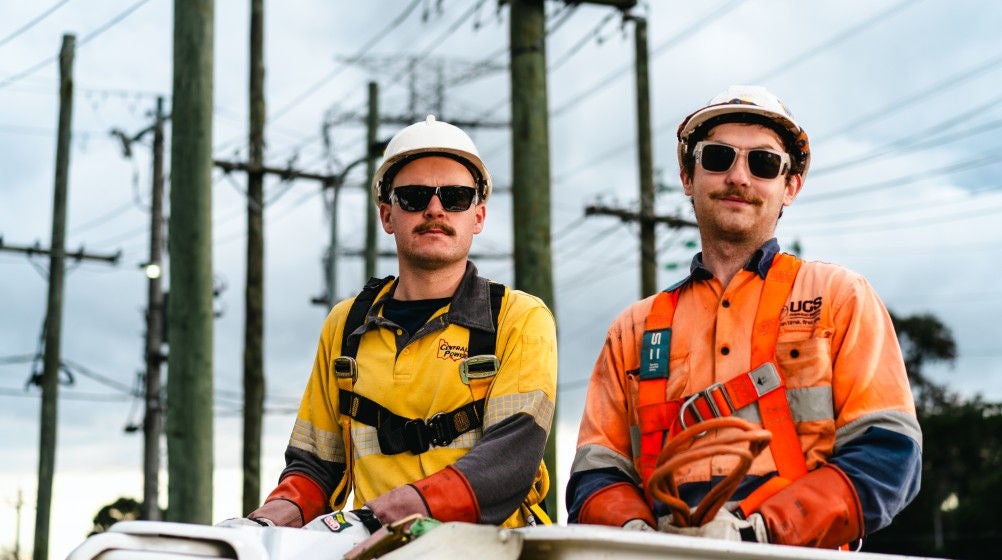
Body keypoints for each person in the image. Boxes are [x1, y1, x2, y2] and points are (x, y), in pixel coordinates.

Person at [565, 85, 921, 549]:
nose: (738, 176)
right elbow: (597, 472)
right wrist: (640, 537)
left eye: (763, 163)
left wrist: (761, 533)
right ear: (688, 178)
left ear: (789, 186)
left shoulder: (839, 298)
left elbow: (888, 453)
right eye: (717, 158)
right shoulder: (634, 330)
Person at [224, 115, 557, 545]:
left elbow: (508, 463)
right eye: (414, 196)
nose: (434, 209)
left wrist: (383, 515)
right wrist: (264, 524)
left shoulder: (518, 319)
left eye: (455, 197)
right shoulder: (346, 327)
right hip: (378, 547)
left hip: (489, 550)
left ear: (478, 216)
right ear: (387, 215)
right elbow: (315, 469)